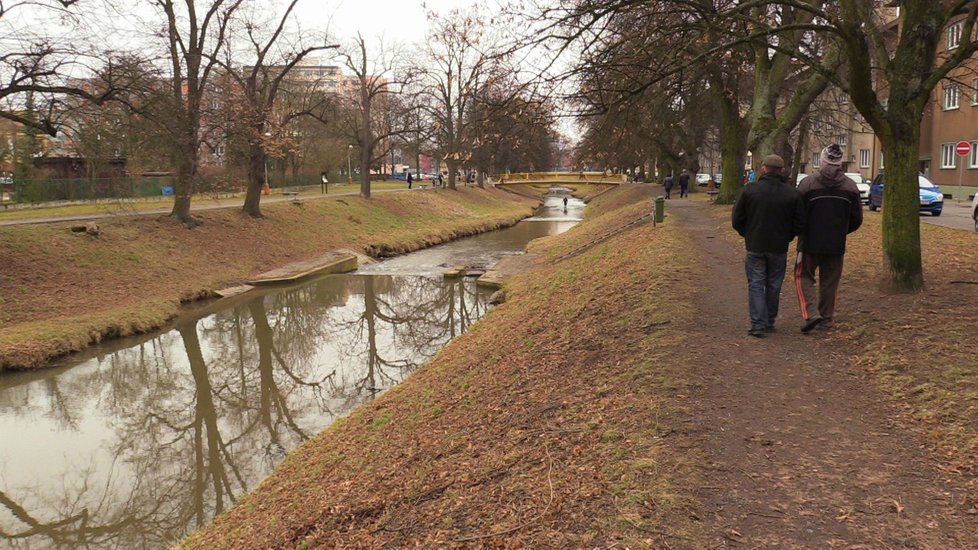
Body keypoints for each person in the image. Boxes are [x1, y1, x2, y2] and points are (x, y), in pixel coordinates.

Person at [732, 154, 806, 338]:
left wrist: (747, 234)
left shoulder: (750, 190)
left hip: (755, 244)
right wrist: (788, 236)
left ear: (763, 169)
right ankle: (769, 320)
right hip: (779, 246)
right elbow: (800, 222)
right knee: (774, 284)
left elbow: (737, 219)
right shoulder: (792, 193)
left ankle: (758, 323)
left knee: (756, 283)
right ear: (782, 171)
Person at [794, 144, 863, 333]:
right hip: (836, 243)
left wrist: (800, 231)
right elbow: (856, 219)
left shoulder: (807, 184)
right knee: (830, 281)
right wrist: (840, 231)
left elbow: (797, 214)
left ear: (822, 160)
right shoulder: (850, 186)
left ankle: (811, 313)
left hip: (809, 242)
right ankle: (825, 318)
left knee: (803, 276)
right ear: (840, 162)